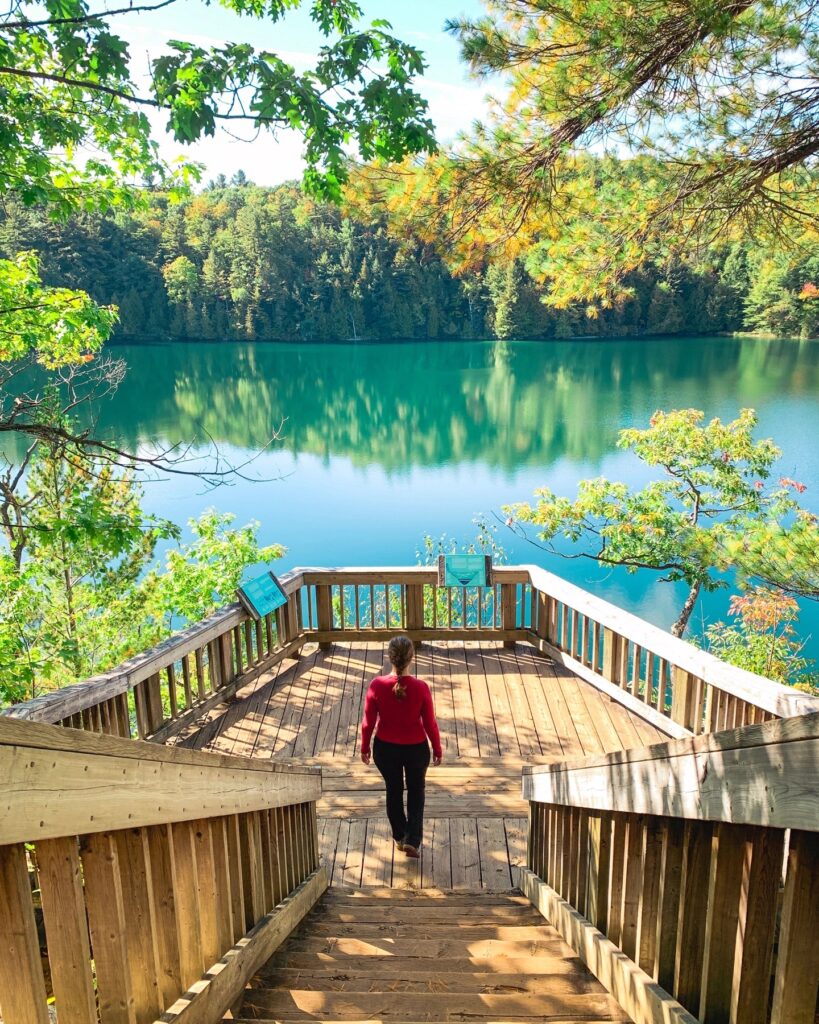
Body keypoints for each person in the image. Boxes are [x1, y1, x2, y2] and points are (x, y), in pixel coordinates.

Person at [360, 635, 442, 858]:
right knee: (416, 791)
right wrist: (437, 747)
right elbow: (430, 723)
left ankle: (400, 835)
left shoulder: (377, 685)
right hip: (416, 749)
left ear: (389, 657)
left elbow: (368, 722)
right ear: (411, 658)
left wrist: (365, 747)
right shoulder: (421, 687)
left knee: (393, 790)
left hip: (385, 750)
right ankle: (413, 840)